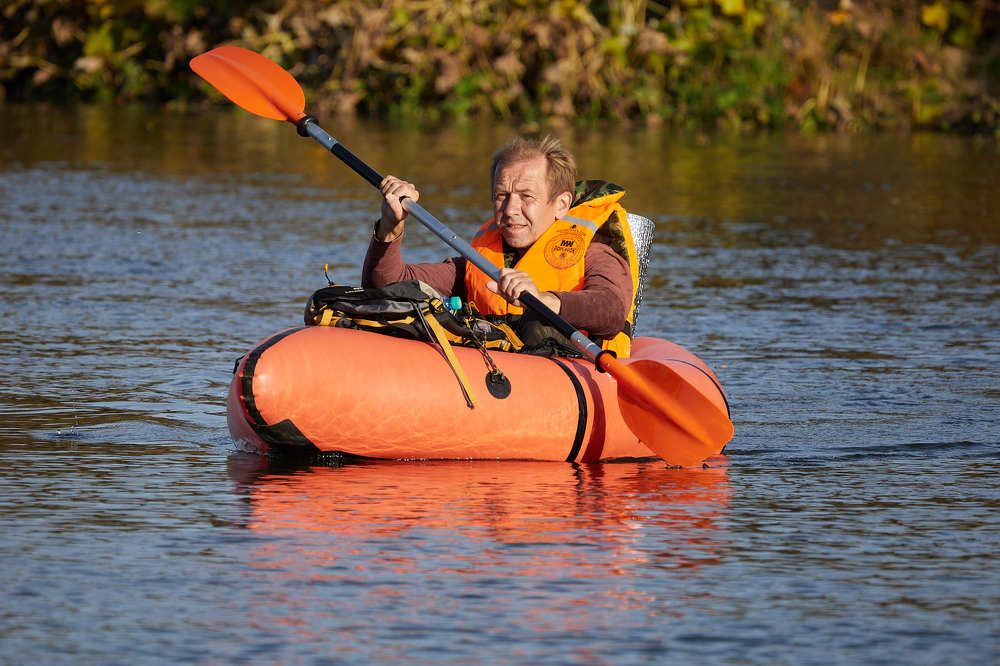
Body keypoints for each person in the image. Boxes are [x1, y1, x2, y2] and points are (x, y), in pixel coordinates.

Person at [362, 135, 640, 356]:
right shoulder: (480, 259)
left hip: (571, 372)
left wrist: (544, 300)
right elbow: (389, 285)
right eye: (501, 195)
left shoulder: (596, 253)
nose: (510, 209)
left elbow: (611, 309)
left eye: (526, 196)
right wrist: (390, 227)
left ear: (561, 204)